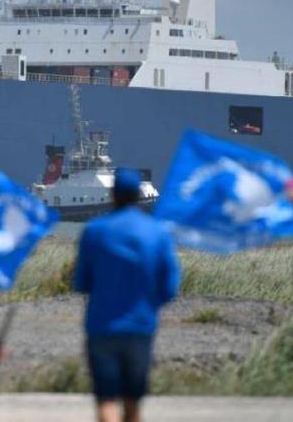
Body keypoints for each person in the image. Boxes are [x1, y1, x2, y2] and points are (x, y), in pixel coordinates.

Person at [73, 168, 181, 422]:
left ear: (112, 194)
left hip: (102, 327)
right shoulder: (158, 231)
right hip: (141, 327)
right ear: (138, 195)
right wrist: (149, 306)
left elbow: (81, 283)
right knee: (133, 403)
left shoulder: (94, 231)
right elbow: (170, 287)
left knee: (106, 400)